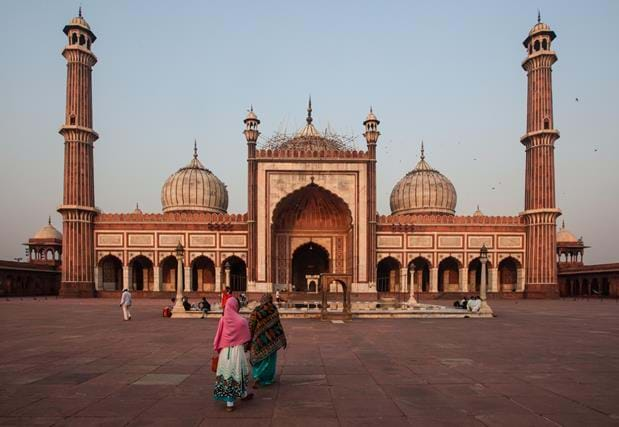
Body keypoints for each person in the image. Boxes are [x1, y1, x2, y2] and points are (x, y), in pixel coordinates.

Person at [213, 297, 253, 412]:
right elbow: (247, 337)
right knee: (238, 372)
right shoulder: (242, 321)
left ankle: (232, 401)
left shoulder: (223, 320)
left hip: (225, 352)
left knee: (226, 374)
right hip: (237, 351)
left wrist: (218, 346)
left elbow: (218, 336)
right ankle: (238, 397)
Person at [249, 293, 287, 388]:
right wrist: (283, 338)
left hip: (259, 340)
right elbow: (278, 325)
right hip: (271, 340)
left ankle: (257, 375)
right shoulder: (273, 309)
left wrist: (248, 339)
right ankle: (267, 379)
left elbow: (251, 326)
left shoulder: (257, 311)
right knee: (270, 361)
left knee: (258, 358)